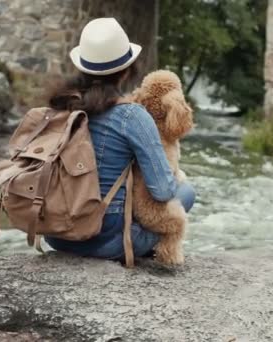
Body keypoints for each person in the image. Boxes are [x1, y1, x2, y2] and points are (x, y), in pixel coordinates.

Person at [44, 18, 196, 260]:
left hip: (55, 235)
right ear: (126, 71)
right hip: (105, 241)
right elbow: (162, 190)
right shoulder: (132, 115)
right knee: (186, 192)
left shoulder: (61, 106)